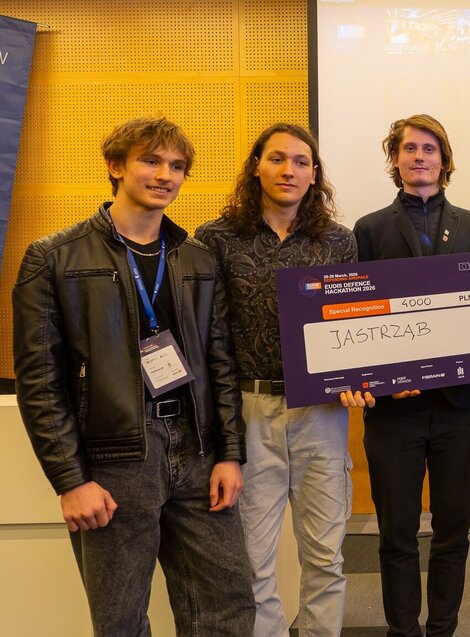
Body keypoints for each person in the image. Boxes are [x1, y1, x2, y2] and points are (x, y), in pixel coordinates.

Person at [12, 116, 255, 635]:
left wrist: (230, 453)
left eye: (177, 166)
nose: (165, 174)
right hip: (117, 458)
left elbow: (221, 364)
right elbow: (40, 382)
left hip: (197, 453)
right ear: (115, 166)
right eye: (151, 160)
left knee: (228, 607)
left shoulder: (197, 258)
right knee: (121, 619)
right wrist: (71, 480)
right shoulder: (54, 257)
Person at [195, 123, 358, 637]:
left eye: (302, 161)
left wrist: (362, 375)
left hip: (322, 414)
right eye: (278, 159)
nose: (289, 170)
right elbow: (210, 336)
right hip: (249, 412)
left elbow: (353, 325)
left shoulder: (338, 241)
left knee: (325, 557)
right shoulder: (216, 238)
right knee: (253, 561)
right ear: (257, 167)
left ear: (315, 175)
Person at [352, 114, 470, 637]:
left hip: (463, 408)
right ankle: (402, 631)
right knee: (396, 533)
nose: (419, 156)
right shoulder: (368, 229)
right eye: (409, 148)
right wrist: (382, 377)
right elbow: (362, 314)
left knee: (453, 530)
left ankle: (443, 629)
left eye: (429, 148)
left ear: (444, 160)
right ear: (395, 159)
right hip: (395, 414)